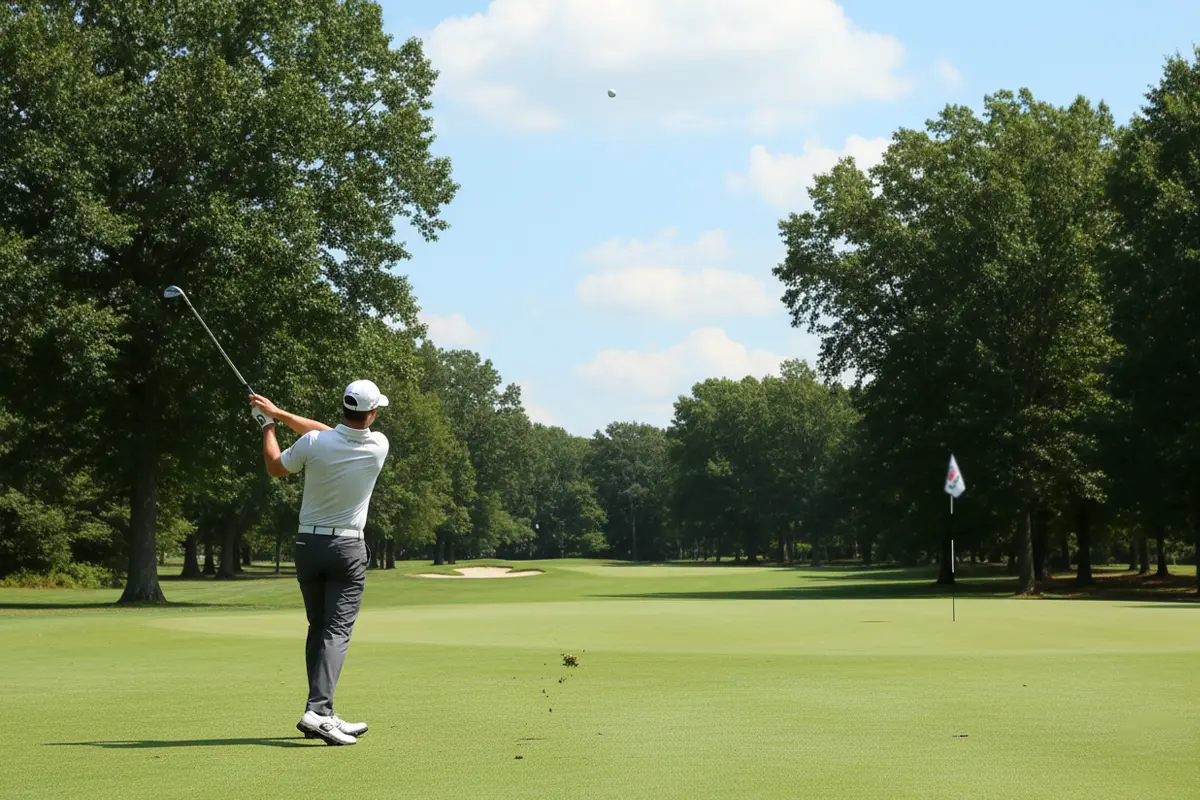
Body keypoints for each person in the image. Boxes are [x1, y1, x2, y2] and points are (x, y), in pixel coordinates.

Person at [249, 380, 391, 746]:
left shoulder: (315, 444)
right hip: (347, 549)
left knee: (319, 627)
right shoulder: (378, 445)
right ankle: (317, 710)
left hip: (307, 545)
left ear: (343, 406)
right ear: (372, 413)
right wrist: (277, 414)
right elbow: (332, 434)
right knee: (336, 631)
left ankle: (324, 712)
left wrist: (268, 425)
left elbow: (276, 468)